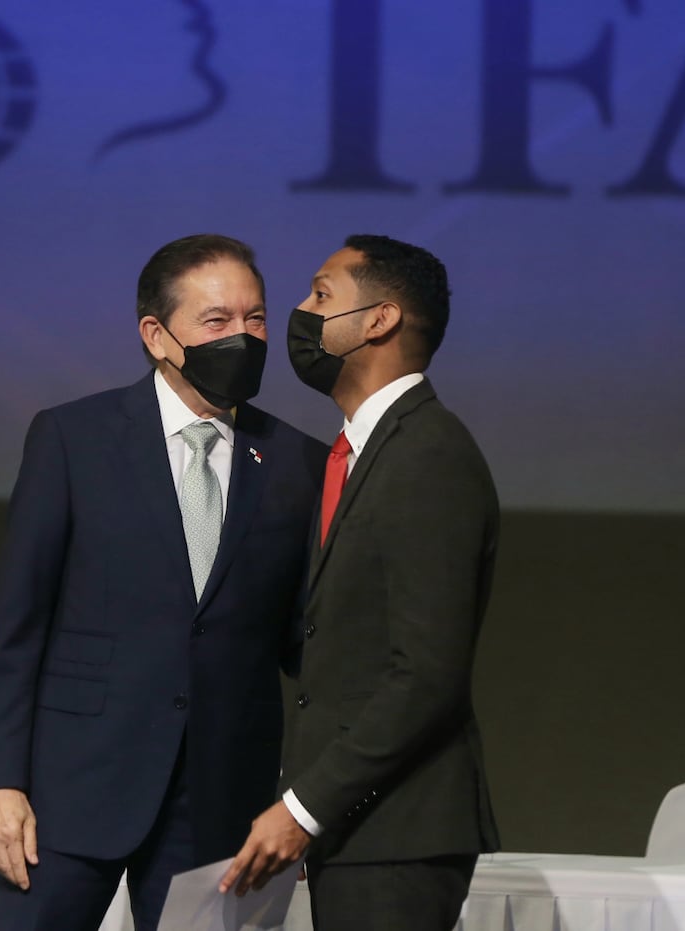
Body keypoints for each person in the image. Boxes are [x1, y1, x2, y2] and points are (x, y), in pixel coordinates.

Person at [0, 233, 327, 931]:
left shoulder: (297, 462)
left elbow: (304, 643)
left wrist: (310, 801)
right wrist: (1, 780)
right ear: (157, 335)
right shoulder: (73, 439)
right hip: (71, 790)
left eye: (255, 318)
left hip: (223, 800)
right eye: (217, 321)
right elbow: (19, 624)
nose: (244, 337)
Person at [220, 235, 500, 930]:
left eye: (321, 295)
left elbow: (426, 673)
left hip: (399, 834)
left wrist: (303, 807)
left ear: (379, 320)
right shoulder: (364, 450)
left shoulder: (427, 453)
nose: (300, 311)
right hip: (363, 831)